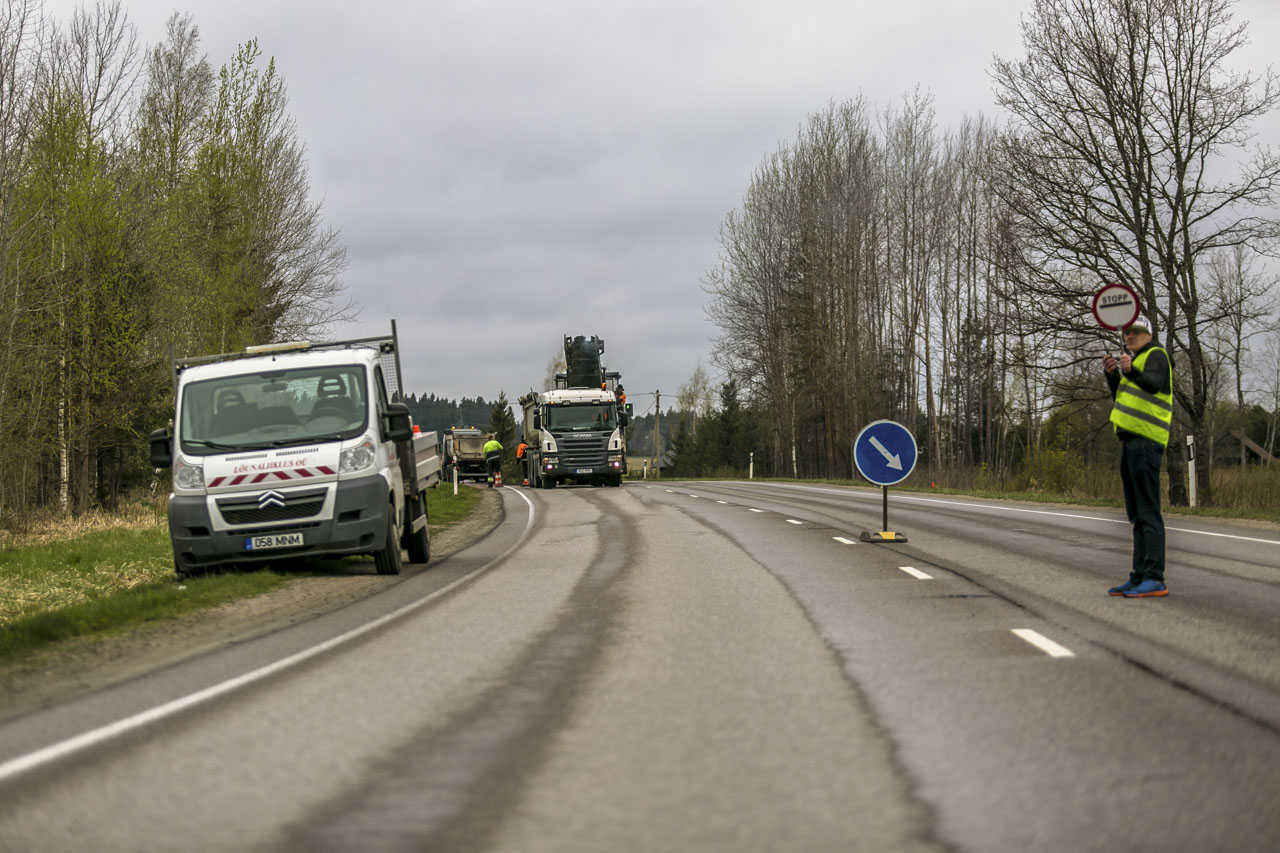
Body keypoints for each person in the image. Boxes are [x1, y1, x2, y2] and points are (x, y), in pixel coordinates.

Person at [1102, 313, 1173, 597]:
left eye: (1136, 332)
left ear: (1149, 335)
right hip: (1130, 443)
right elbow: (1123, 396)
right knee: (1136, 514)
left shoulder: (1156, 355)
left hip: (1146, 442)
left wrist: (1130, 371)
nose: (1129, 336)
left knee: (1148, 512)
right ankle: (1138, 575)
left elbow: (1154, 383)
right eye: (1127, 333)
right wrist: (1113, 376)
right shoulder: (1133, 362)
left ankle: (1154, 577)